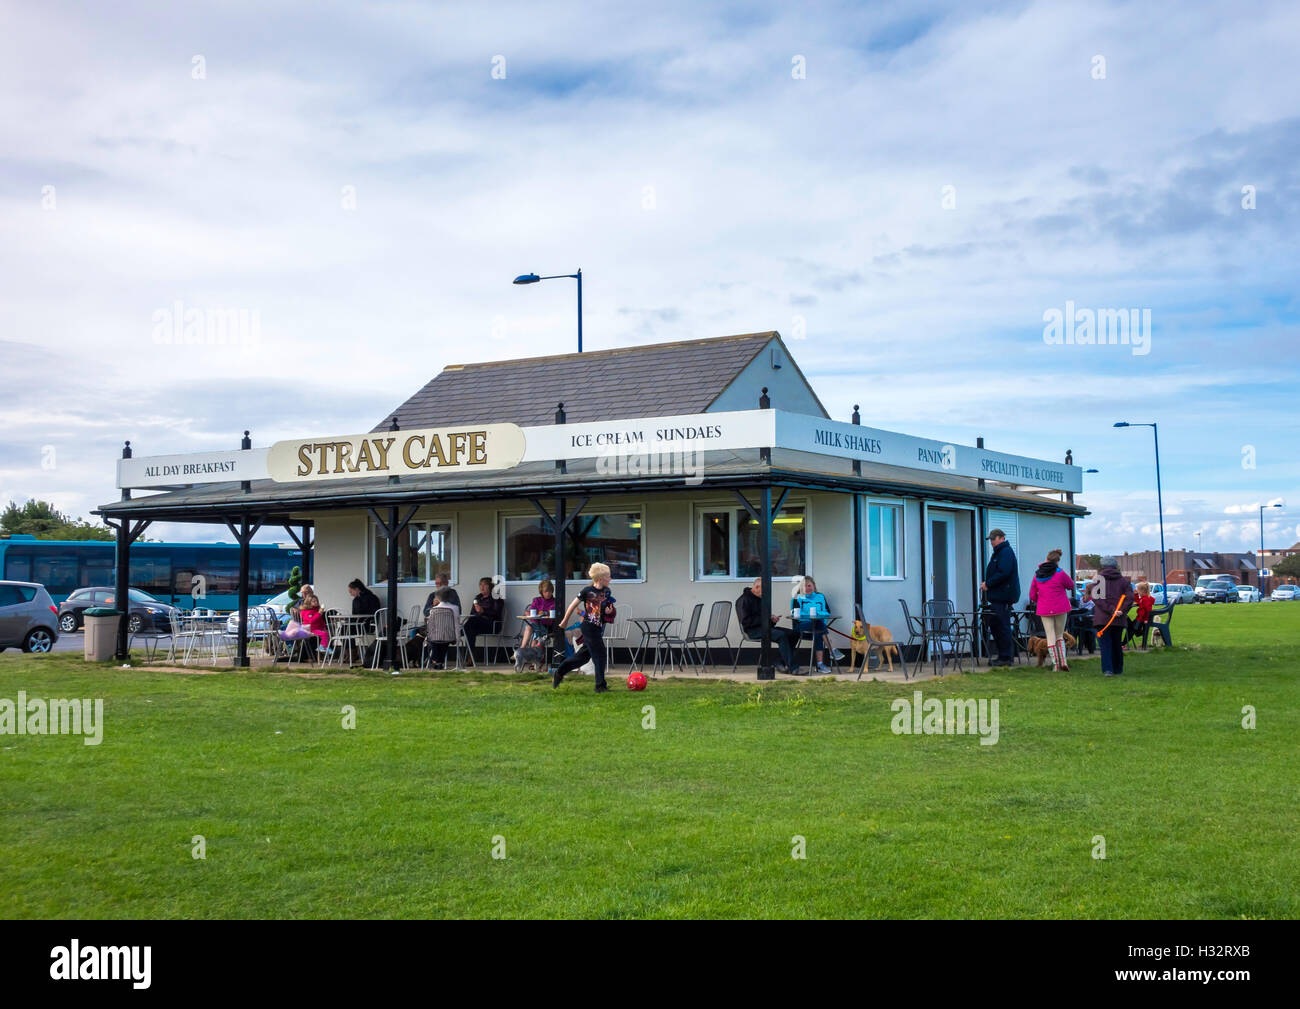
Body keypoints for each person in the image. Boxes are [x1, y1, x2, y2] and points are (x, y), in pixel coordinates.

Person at [550, 563, 616, 693]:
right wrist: (564, 621)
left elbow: (608, 609)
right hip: (588, 627)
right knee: (600, 654)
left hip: (598, 628)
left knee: (583, 656)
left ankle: (559, 672)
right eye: (608, 576)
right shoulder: (587, 591)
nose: (610, 579)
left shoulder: (607, 592)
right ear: (600, 578)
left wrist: (609, 612)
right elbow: (572, 605)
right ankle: (600, 686)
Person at [736, 576, 801, 674]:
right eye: (764, 590)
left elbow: (764, 617)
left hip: (764, 628)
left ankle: (779, 661)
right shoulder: (743, 600)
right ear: (757, 587)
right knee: (781, 635)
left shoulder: (759, 598)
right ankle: (793, 668)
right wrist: (766, 618)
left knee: (794, 634)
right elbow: (746, 621)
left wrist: (772, 620)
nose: (766, 593)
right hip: (752, 631)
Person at [1028, 549, 1074, 671]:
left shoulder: (1037, 575)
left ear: (1046, 559)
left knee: (1050, 635)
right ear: (1057, 561)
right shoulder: (1060, 573)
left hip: (1044, 608)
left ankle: (1056, 664)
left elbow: (1032, 595)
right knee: (1059, 635)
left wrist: (1041, 599)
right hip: (1061, 607)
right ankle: (1064, 661)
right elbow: (1070, 585)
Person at [1087, 556, 1134, 676]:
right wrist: (1120, 610)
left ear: (1102, 566)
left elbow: (1098, 599)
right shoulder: (1124, 581)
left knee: (1105, 644)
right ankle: (1118, 669)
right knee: (1117, 643)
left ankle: (1108, 669)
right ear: (1115, 566)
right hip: (1118, 618)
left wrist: (1111, 610)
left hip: (1102, 619)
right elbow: (1129, 599)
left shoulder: (1098, 581)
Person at [980, 529, 1020, 666]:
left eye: (993, 539)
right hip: (998, 596)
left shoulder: (1006, 552)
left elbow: (1004, 572)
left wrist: (988, 583)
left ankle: (1006, 657)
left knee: (1002, 626)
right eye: (990, 539)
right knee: (996, 625)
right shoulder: (999, 553)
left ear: (1001, 538)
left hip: (1003, 596)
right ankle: (1003, 656)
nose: (991, 542)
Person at [791, 575, 835, 674]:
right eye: (804, 586)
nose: (807, 588)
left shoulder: (821, 596)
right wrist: (811, 615)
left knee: (818, 630)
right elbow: (794, 614)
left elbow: (827, 612)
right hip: (802, 627)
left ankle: (820, 665)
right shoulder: (797, 598)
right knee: (818, 625)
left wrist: (817, 615)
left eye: (809, 585)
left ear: (814, 586)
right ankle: (832, 651)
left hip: (818, 628)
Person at [462, 576, 503, 665]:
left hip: (491, 625)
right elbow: (472, 614)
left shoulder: (496, 598)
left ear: (490, 586)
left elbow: (496, 613)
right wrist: (477, 613)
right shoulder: (478, 598)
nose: (482, 587)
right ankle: (470, 658)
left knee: (471, 624)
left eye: (485, 585)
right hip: (476, 624)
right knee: (471, 629)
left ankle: (460, 632)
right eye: (480, 585)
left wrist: (483, 611)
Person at [422, 587, 461, 669]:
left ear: (437, 597)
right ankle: (439, 662)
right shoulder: (455, 608)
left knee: (435, 640)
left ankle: (436, 660)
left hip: (435, 637)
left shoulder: (433, 609)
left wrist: (428, 636)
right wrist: (457, 637)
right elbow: (457, 624)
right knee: (444, 641)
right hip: (450, 636)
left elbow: (430, 626)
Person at [519, 579, 556, 651]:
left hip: (548, 628)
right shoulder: (537, 600)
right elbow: (531, 612)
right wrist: (528, 613)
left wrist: (544, 613)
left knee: (534, 644)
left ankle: (523, 652)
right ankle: (522, 649)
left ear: (552, 591)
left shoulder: (554, 601)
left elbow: (551, 612)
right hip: (536, 626)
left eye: (550, 591)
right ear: (541, 592)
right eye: (545, 591)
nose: (548, 593)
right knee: (529, 627)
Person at [1124, 581, 1155, 648]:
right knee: (1130, 624)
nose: (1137, 591)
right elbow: (1138, 601)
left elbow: (1148, 610)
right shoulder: (1144, 598)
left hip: (1142, 619)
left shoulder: (1146, 599)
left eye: (1138, 590)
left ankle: (1123, 643)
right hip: (1140, 618)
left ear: (1142, 591)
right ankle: (1140, 633)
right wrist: (1135, 594)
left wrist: (1146, 619)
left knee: (1131, 629)